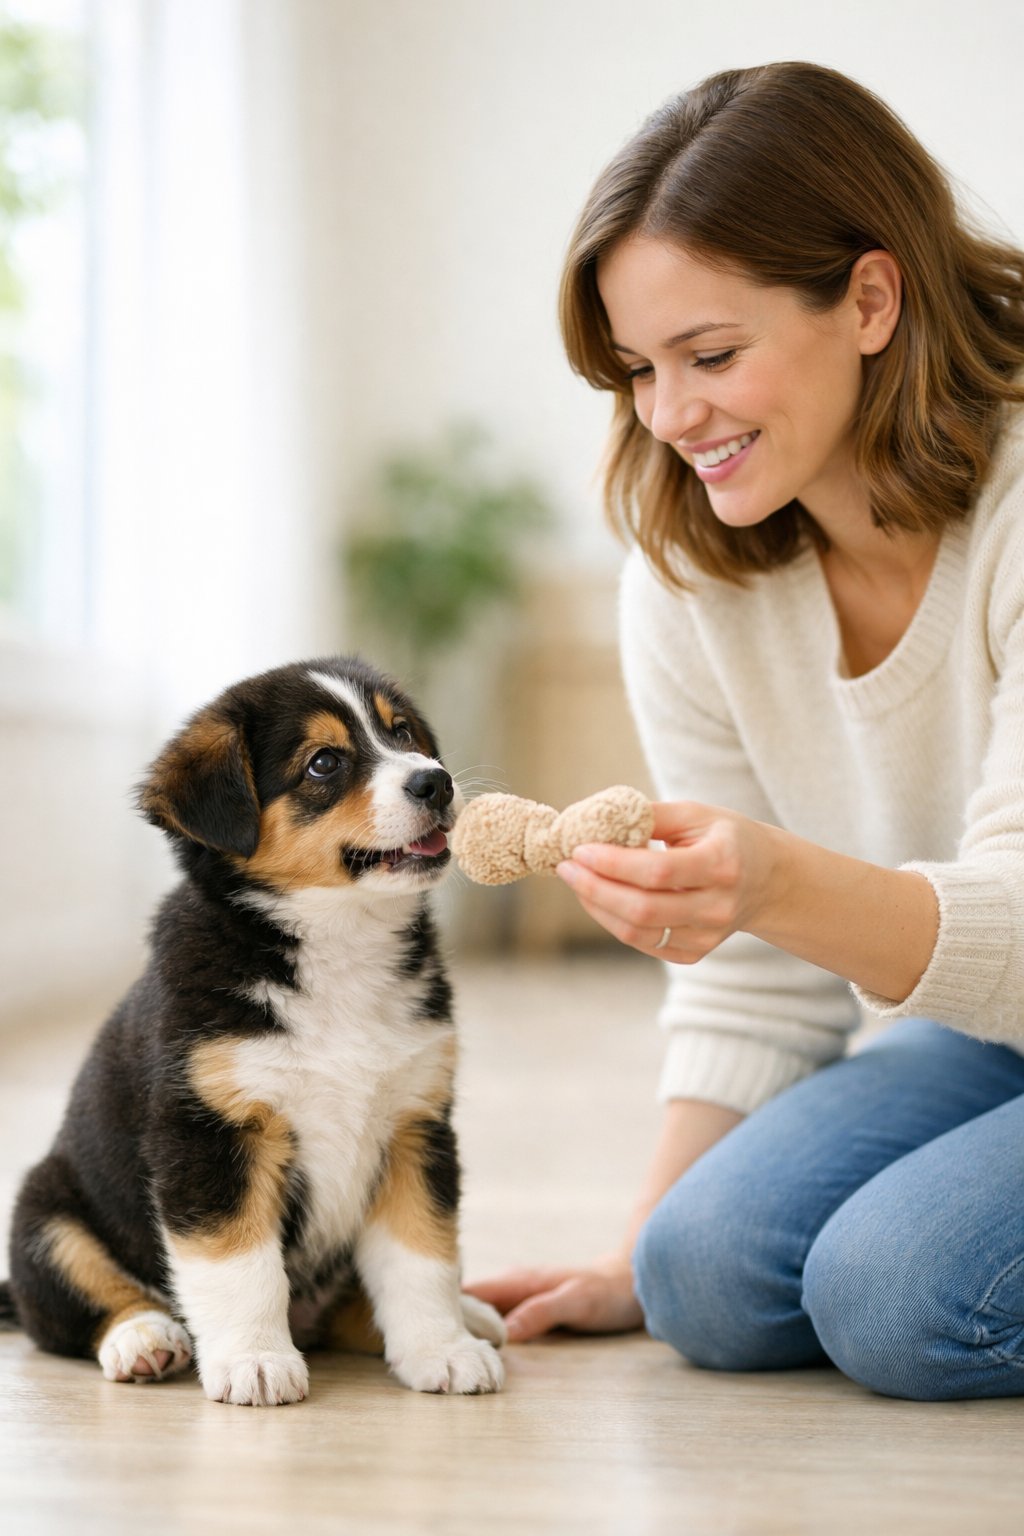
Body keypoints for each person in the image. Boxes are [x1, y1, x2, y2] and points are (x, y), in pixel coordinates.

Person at [465, 61, 1024, 1401]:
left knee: (899, 1293)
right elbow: (755, 975)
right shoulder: (688, 577)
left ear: (871, 299)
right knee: (696, 1276)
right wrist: (629, 1254)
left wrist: (770, 880)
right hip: (978, 1030)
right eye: (641, 370)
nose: (671, 417)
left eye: (712, 357)